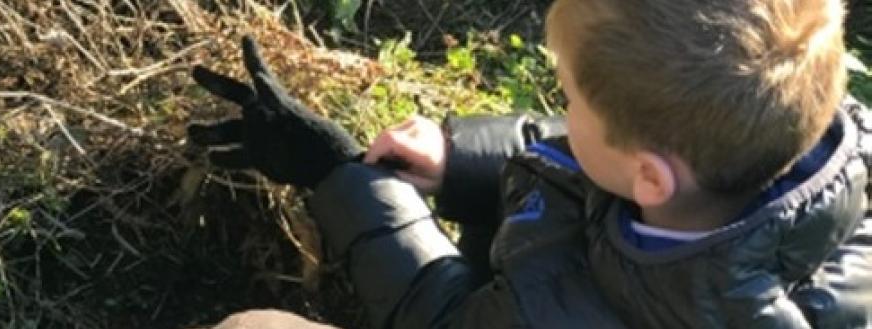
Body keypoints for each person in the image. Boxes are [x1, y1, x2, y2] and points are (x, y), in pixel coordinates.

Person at [188, 0, 872, 327]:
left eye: (568, 96)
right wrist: (458, 162)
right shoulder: (768, 148)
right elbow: (596, 152)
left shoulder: (560, 317)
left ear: (651, 179)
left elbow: (438, 314)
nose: (559, 109)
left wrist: (335, 173)